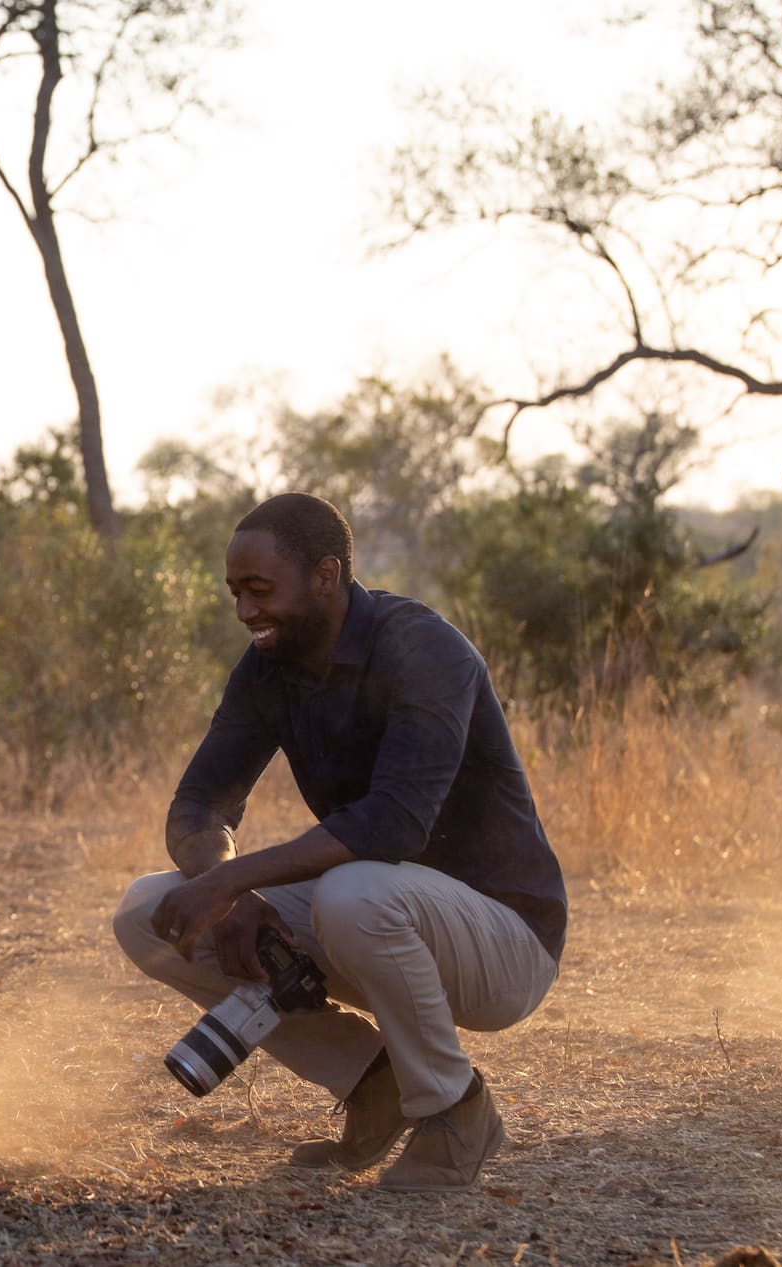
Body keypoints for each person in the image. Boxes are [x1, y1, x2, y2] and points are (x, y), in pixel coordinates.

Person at [112, 492, 566, 1193]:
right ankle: (371, 1081)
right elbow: (198, 803)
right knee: (150, 911)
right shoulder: (268, 667)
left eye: (259, 590)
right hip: (379, 914)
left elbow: (392, 824)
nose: (244, 612)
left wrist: (233, 883)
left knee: (353, 891)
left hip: (505, 941)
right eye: (235, 593)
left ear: (326, 574)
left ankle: (454, 1107)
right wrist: (229, 891)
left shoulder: (422, 648)